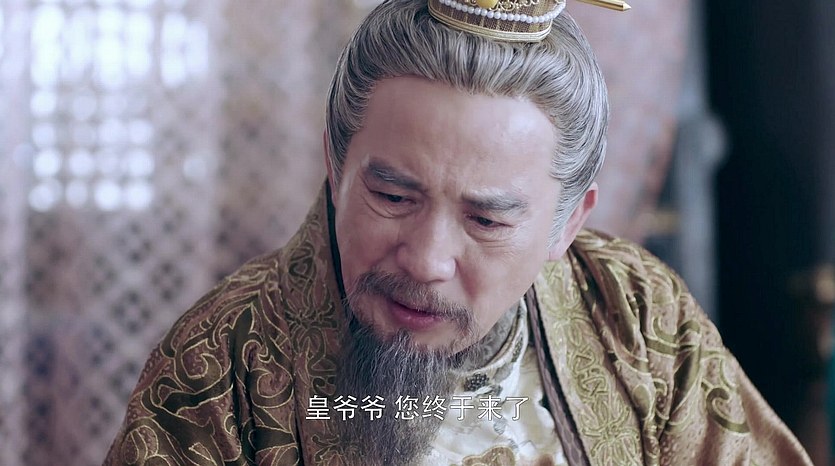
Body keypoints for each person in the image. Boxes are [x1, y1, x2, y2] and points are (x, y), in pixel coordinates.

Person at [104, 0, 813, 464]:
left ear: (569, 221)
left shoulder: (636, 314)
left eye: (487, 219)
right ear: (335, 164)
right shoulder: (223, 360)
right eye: (392, 196)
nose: (426, 260)